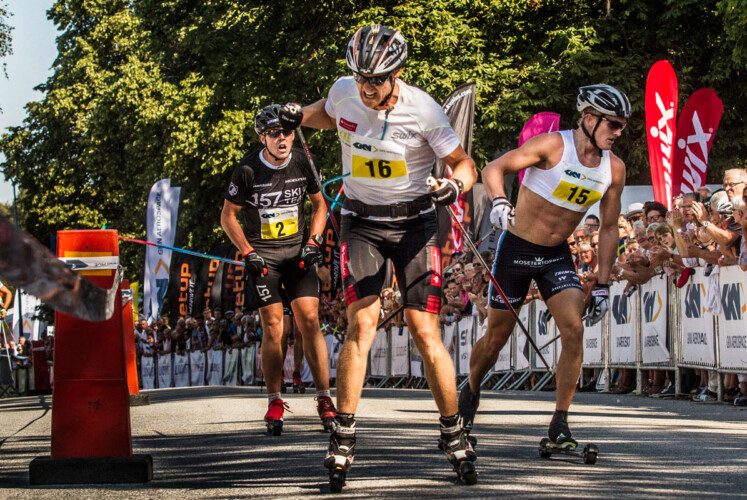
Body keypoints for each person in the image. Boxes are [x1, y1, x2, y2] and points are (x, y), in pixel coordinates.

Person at [279, 24, 479, 487]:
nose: (366, 88)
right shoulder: (345, 91)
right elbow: (328, 114)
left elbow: (464, 163)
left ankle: (453, 431)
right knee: (361, 325)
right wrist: (296, 114)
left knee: (424, 330)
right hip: (361, 222)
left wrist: (454, 185)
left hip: (415, 225)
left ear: (397, 74)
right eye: (361, 77)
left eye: (376, 80)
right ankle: (344, 434)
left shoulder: (424, 110)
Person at [462, 84, 629, 451]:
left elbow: (609, 228)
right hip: (517, 248)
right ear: (589, 119)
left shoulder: (614, 168)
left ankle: (560, 422)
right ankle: (469, 394)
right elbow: (494, 168)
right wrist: (500, 200)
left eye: (622, 125)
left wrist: (602, 284)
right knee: (496, 339)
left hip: (556, 254)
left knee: (573, 329)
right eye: (613, 124)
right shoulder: (553, 146)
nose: (619, 132)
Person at [220, 104, 336, 435]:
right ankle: (274, 400)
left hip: (298, 253)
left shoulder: (303, 161)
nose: (282, 138)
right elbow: (228, 216)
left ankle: (324, 398)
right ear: (263, 138)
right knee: (274, 327)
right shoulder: (247, 170)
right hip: (264, 257)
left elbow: (319, 206)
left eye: (286, 132)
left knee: (309, 321)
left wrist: (314, 241)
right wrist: (247, 251)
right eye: (274, 134)